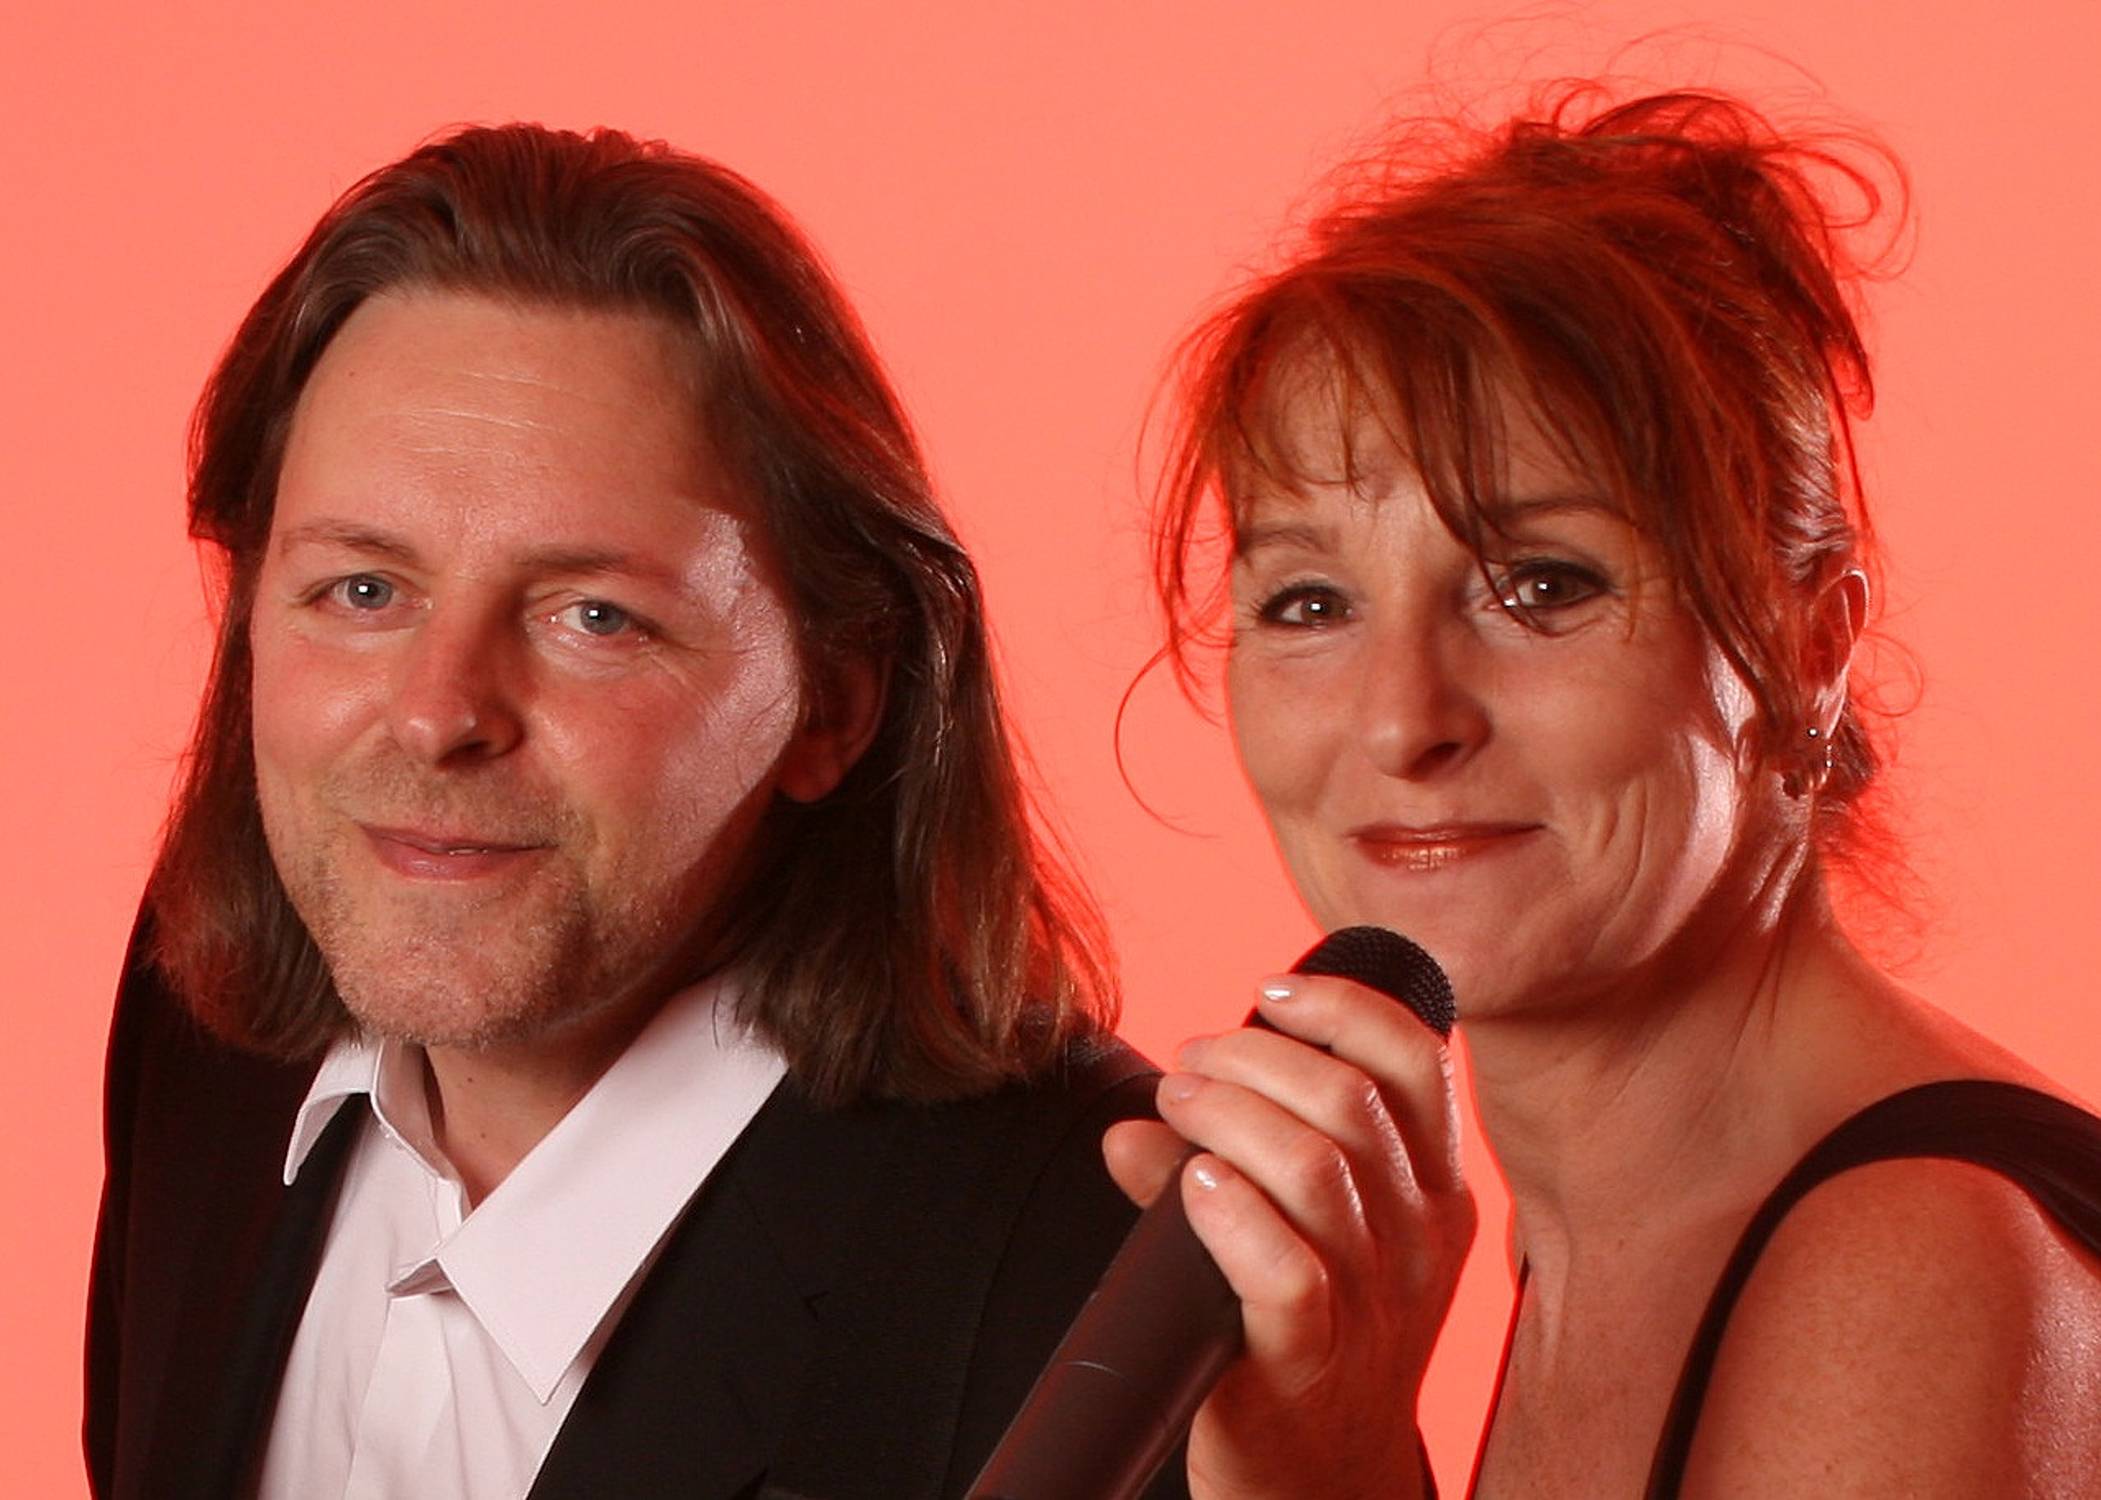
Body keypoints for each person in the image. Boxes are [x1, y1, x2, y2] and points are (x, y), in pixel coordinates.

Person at [84, 124, 1192, 1500]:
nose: (438, 714)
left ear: (834, 703)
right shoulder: (202, 1033)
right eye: (361, 590)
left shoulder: (1106, 1270)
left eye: (595, 616)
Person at [1107, 87, 2101, 1497]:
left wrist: (1331, 1474)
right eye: (1310, 601)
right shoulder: (1600, 1237)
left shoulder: (1910, 1267)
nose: (1403, 720)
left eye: (1540, 585)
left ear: (1809, 649)